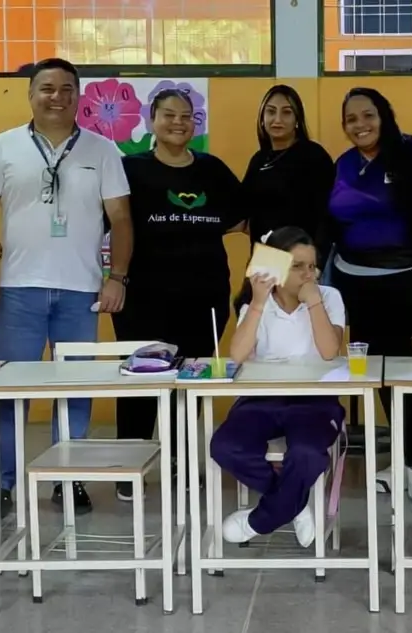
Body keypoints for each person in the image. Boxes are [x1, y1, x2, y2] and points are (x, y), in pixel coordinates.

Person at [0, 57, 133, 516]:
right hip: (20, 289)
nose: (56, 97)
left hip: (81, 291)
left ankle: (68, 479)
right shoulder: (3, 146)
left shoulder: (102, 150)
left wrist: (116, 278)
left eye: (66, 89)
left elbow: (120, 219)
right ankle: (2, 483)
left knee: (74, 389)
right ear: (31, 95)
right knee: (9, 392)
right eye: (47, 89)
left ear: (79, 96)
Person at [324, 87, 412, 515]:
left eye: (368, 115)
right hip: (356, 286)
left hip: (410, 281)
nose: (360, 125)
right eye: (351, 119)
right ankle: (401, 458)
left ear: (384, 115)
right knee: (378, 371)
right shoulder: (344, 164)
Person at [110, 88, 244, 501]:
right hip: (143, 298)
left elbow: (243, 217)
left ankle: (182, 461)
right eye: (169, 115)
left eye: (187, 116)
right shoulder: (129, 169)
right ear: (152, 120)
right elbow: (103, 222)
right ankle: (129, 466)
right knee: (140, 382)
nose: (178, 123)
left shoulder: (212, 170)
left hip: (204, 296)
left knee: (191, 380)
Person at [210, 226, 346, 546]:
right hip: (262, 399)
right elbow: (236, 356)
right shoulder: (257, 304)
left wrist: (314, 303)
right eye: (298, 266)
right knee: (225, 447)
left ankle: (264, 518)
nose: (308, 274)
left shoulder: (329, 297)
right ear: (277, 267)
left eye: (312, 266)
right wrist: (258, 303)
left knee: (307, 454)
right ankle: (293, 502)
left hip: (315, 400)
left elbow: (329, 351)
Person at [241, 85, 335, 264]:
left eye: (286, 112)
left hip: (301, 261)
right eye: (271, 112)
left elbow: (326, 217)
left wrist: (316, 264)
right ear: (262, 118)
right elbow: (243, 209)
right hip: (265, 260)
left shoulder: (314, 156)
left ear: (297, 119)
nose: (278, 119)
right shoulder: (259, 160)